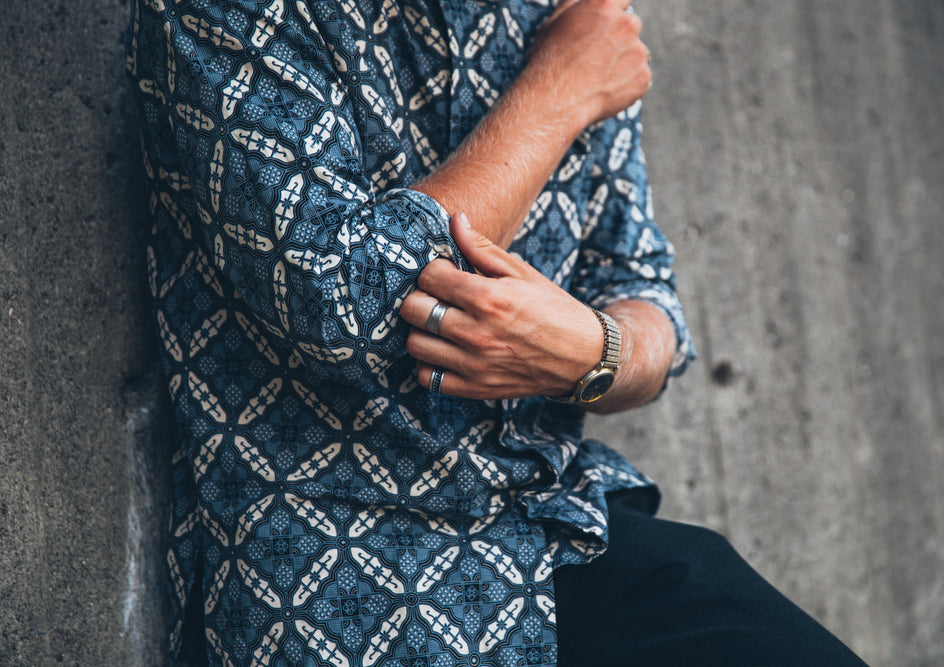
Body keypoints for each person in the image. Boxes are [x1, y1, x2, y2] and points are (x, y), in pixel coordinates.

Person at [126, 0, 867, 664]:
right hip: (347, 576)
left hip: (559, 529)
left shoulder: (571, 16)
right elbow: (349, 305)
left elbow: (647, 297)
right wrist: (561, 91)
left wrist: (593, 352)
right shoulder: (232, 12)